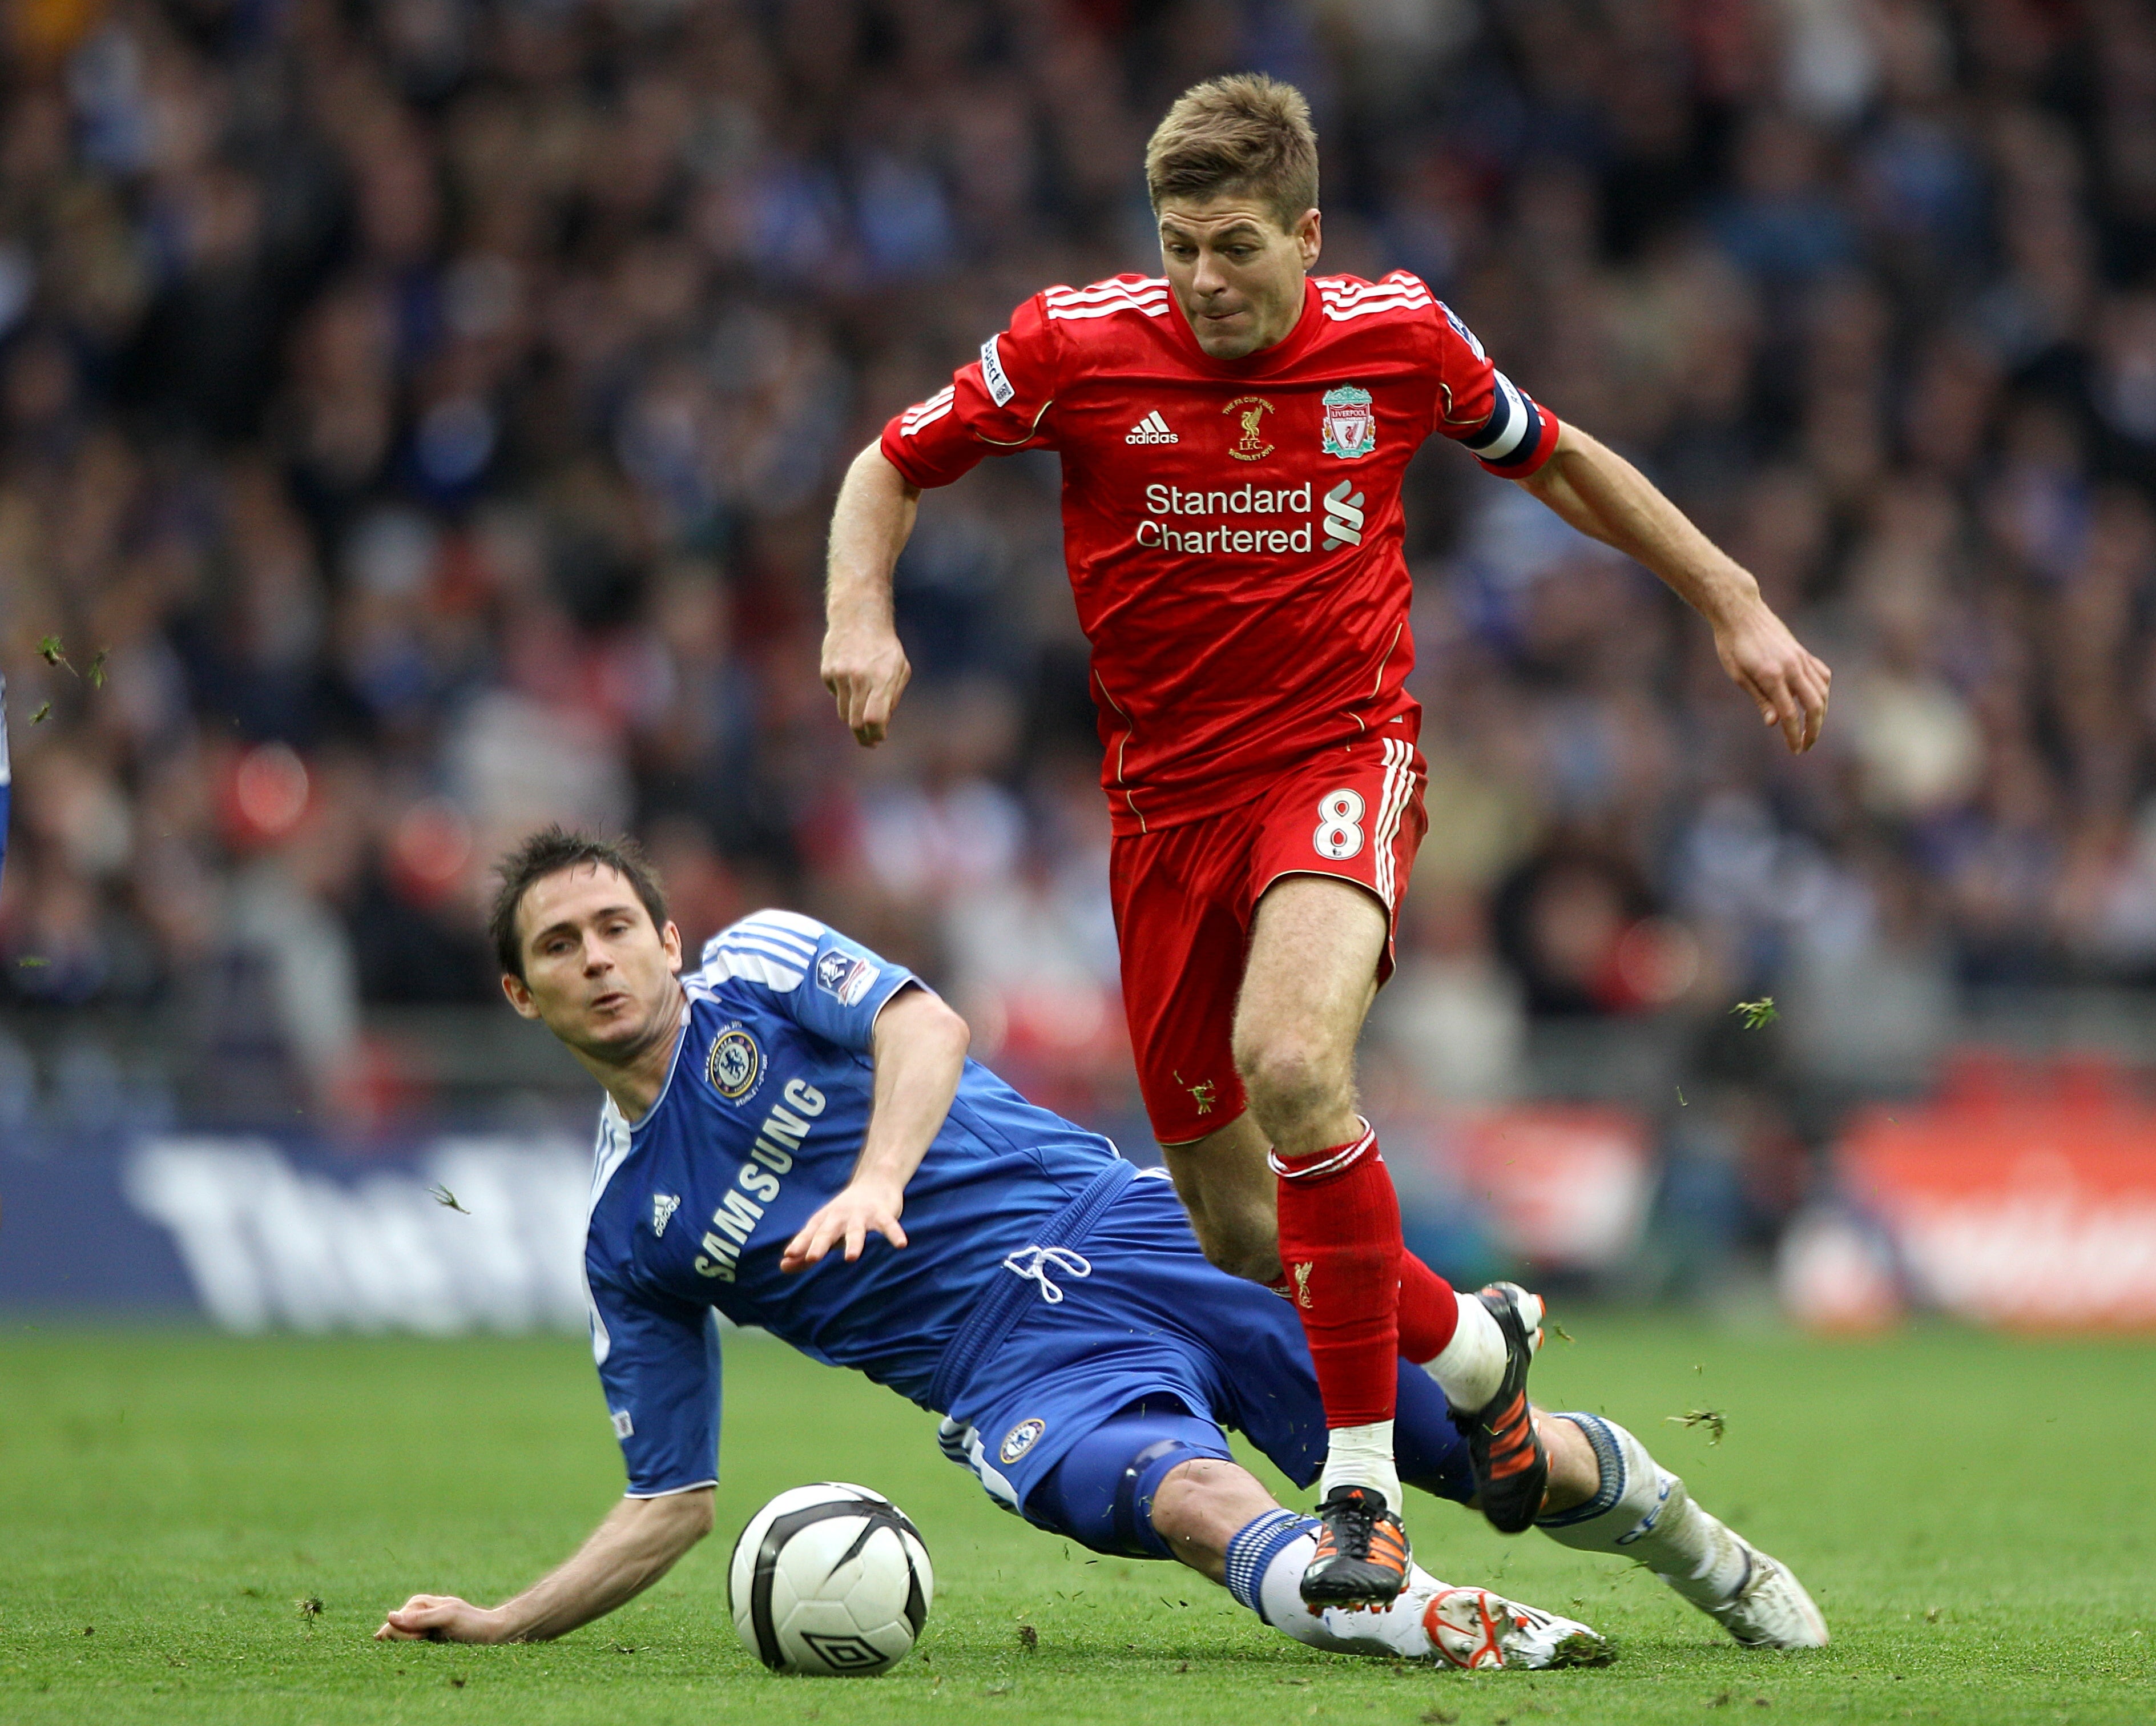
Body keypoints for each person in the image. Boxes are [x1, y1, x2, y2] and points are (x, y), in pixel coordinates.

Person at [818, 73, 1832, 1602]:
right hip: (1160, 814)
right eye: (1178, 246)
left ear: (1307, 232)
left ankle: (1361, 1490)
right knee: (1237, 1226)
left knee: (1296, 1063)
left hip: (1337, 758)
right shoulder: (1070, 346)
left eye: (1233, 246)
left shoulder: (1398, 335)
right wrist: (858, 613)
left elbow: (1552, 453)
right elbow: (889, 462)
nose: (1204, 280)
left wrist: (1734, 600)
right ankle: (1473, 1342)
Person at [374, 830, 1829, 1663]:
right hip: (1005, 1366)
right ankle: (1429, 1624)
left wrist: (880, 1175)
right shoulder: (629, 1237)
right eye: (558, 947)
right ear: (518, 995)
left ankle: (1709, 1555)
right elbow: (672, 1500)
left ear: (670, 935)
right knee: (1183, 1496)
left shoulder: (761, 962)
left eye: (615, 925)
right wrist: (508, 1624)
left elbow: (926, 1024)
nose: (598, 958)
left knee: (1484, 1459)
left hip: (1135, 1227)